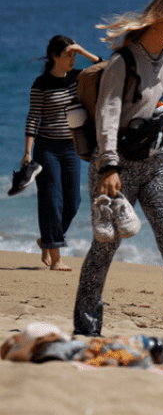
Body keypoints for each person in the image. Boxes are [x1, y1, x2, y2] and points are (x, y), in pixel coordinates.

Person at [73, 0, 163, 348]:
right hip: (116, 166)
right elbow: (106, 116)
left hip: (159, 163)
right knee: (105, 246)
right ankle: (88, 327)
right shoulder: (123, 63)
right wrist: (108, 167)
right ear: (157, 21)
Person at [22, 35, 102, 271]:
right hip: (47, 148)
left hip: (72, 148)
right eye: (68, 54)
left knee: (73, 202)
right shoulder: (41, 83)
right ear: (55, 57)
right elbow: (32, 118)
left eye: (74, 54)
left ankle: (47, 239)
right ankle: (55, 256)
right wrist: (27, 152)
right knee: (51, 199)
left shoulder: (79, 77)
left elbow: (106, 67)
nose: (72, 58)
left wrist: (84, 51)